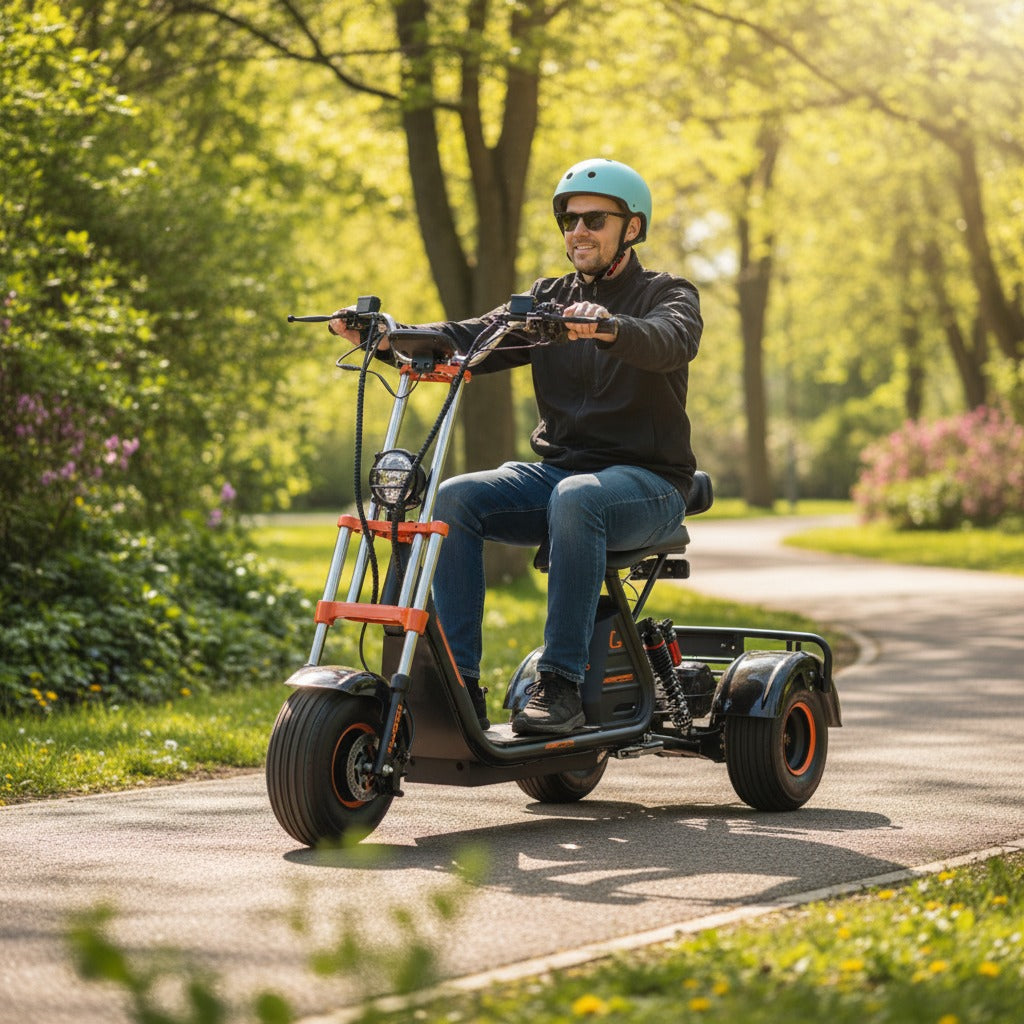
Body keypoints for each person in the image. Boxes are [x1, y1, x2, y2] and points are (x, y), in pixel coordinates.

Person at [331, 158, 702, 737]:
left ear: (632, 228)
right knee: (456, 498)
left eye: (595, 220)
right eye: (569, 221)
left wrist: (609, 327)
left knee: (579, 498)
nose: (578, 231)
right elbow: (470, 337)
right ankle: (459, 689)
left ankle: (561, 686)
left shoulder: (667, 293)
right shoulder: (546, 300)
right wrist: (388, 338)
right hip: (562, 476)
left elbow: (672, 339)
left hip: (649, 483)